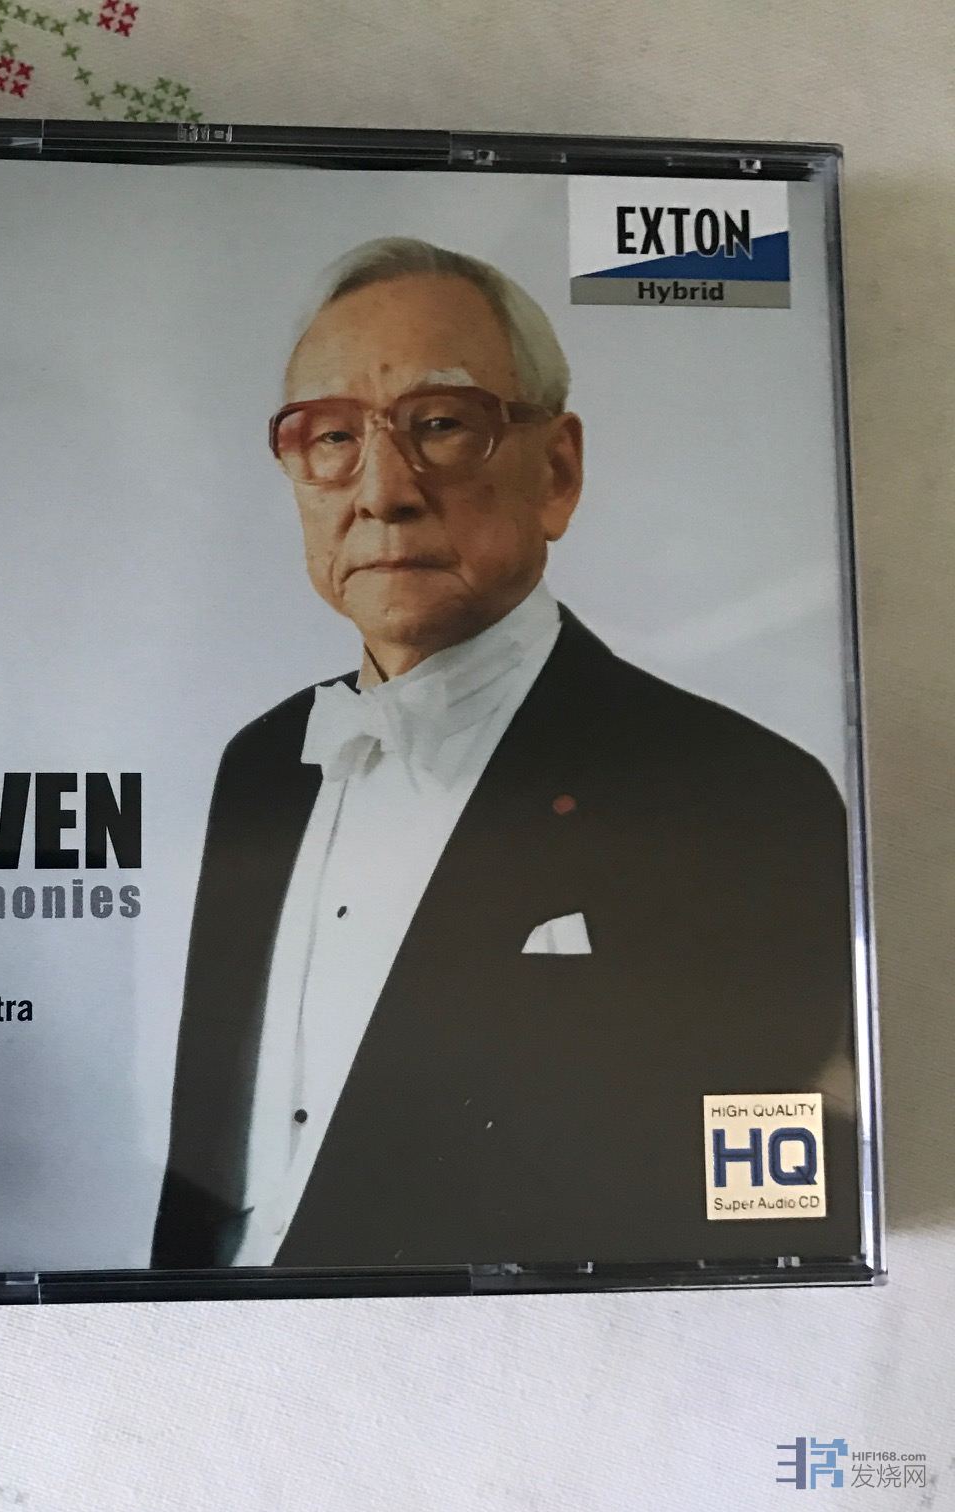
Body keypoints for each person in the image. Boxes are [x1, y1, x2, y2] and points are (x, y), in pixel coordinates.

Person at [151, 237, 861, 1273]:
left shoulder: (744, 797)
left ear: (557, 472)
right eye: (333, 437)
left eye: (441, 425)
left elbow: (765, 1220)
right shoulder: (260, 766)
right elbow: (205, 1188)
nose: (382, 492)